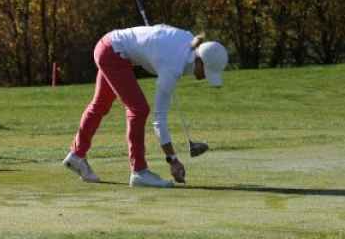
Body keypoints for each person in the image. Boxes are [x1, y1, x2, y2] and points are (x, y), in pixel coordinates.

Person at [63, 24, 227, 188]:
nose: (205, 77)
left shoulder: (189, 41)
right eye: (207, 72)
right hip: (113, 53)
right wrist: (173, 160)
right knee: (139, 109)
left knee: (101, 104)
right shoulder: (173, 67)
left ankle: (76, 155)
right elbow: (159, 120)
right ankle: (139, 171)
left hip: (109, 45)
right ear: (200, 62)